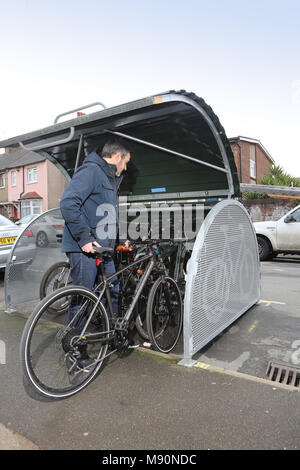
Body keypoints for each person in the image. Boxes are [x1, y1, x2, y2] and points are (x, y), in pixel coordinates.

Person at [60, 139, 131, 367]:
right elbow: (68, 202)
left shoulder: (109, 178)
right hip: (86, 249)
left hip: (104, 249)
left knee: (114, 291)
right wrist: (84, 238)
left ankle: (113, 338)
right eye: (126, 162)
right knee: (83, 299)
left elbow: (107, 213)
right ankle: (76, 350)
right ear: (117, 156)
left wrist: (120, 239)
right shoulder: (91, 171)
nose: (126, 168)